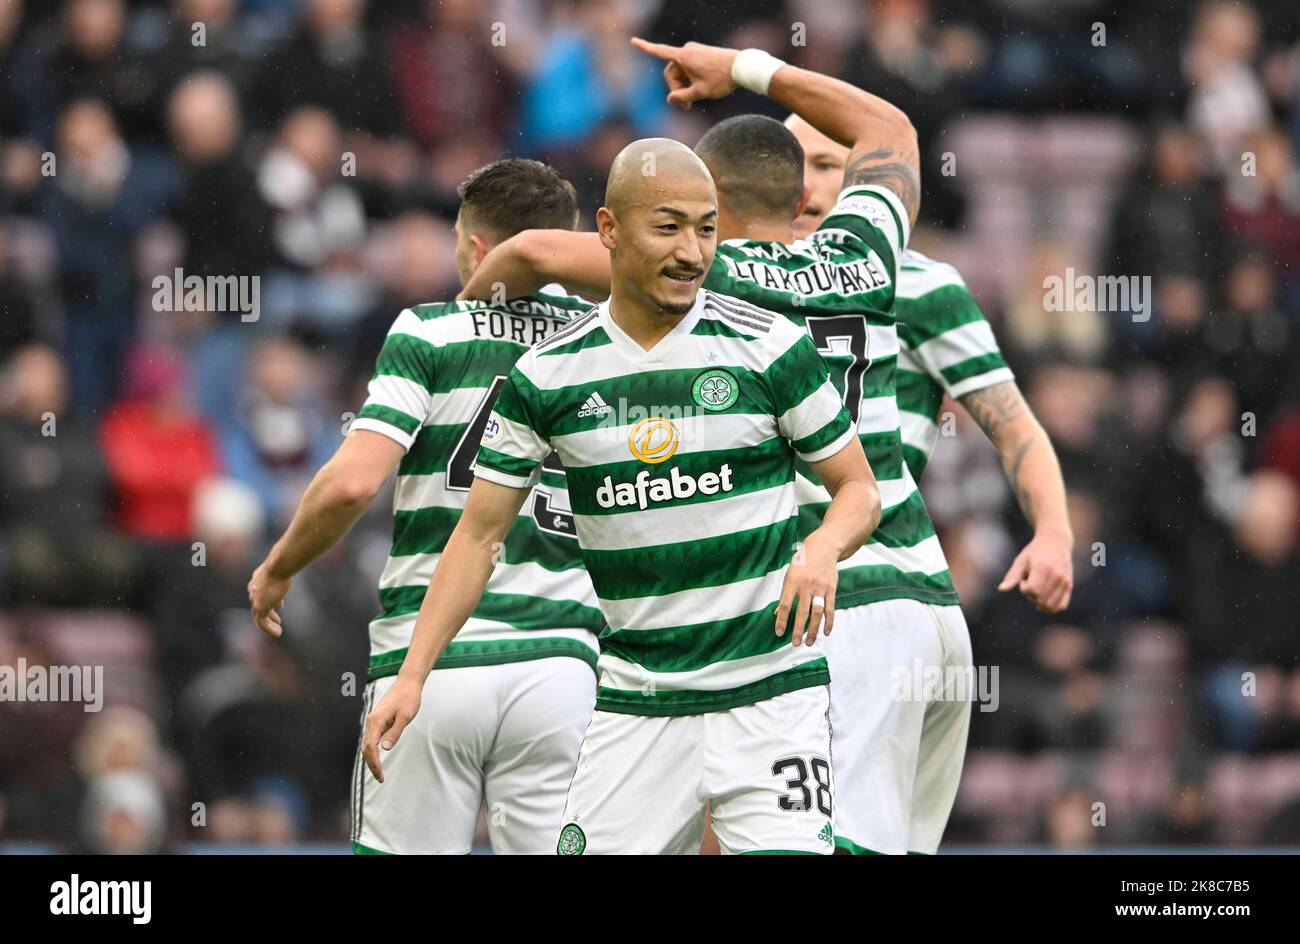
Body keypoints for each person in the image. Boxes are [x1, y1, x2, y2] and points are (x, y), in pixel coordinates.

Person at [455, 39, 984, 856]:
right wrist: (744, 67)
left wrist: (466, 331)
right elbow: (889, 126)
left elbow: (526, 252)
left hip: (802, 601)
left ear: (713, 206)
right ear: (802, 192)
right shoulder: (864, 257)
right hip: (918, 595)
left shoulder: (710, 281)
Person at [362, 137, 881, 855]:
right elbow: (477, 538)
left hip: (770, 696)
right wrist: (412, 675)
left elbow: (858, 488)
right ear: (608, 231)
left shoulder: (769, 346)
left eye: (706, 228)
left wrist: (824, 546)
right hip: (635, 707)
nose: (693, 252)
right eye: (668, 227)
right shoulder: (547, 376)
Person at [248, 159, 604, 855]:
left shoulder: (430, 332)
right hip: (564, 666)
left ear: (474, 247)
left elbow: (353, 483)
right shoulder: (607, 341)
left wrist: (280, 565)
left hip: (433, 659)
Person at [784, 115, 1073, 612]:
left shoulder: (921, 286)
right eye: (790, 165)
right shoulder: (724, 279)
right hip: (761, 590)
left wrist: (1053, 534)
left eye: (827, 164)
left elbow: (1016, 430)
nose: (804, 183)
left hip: (879, 587)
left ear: (863, 184)